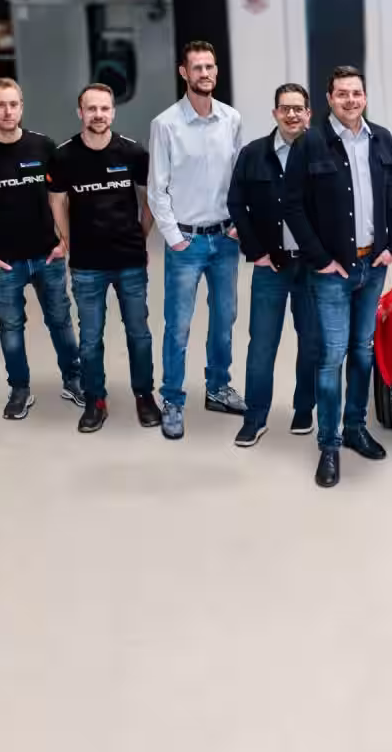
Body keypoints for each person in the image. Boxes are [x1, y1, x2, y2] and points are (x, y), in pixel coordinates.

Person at [281, 66, 392, 489]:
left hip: (373, 266)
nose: (350, 100)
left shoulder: (381, 139)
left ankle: (355, 428)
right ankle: (329, 444)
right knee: (332, 357)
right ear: (329, 99)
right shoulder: (310, 142)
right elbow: (292, 205)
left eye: (356, 93)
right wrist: (319, 259)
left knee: (363, 353)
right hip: (332, 271)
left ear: (364, 97)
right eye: (342, 94)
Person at [0, 78, 82, 420]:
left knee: (60, 321)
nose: (7, 111)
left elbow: (62, 197)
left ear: (21, 107)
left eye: (13, 104)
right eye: (0, 105)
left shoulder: (43, 147)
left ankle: (74, 380)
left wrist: (65, 241)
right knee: (10, 328)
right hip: (3, 261)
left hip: (47, 255)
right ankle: (20, 389)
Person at [145, 40, 246, 441]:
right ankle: (172, 400)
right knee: (179, 326)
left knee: (224, 320)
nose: (205, 73)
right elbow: (157, 189)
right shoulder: (166, 124)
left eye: (210, 66)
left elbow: (240, 178)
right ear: (183, 73)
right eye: (197, 68)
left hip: (225, 239)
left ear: (216, 71)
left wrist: (239, 223)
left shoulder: (231, 119)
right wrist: (174, 238)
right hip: (186, 241)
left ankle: (218, 388)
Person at [48, 83, 157, 434]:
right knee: (91, 338)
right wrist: (68, 239)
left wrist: (140, 236)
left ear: (113, 112)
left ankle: (144, 395)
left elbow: (150, 198)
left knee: (139, 333)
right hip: (87, 265)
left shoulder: (133, 152)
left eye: (104, 108)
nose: (98, 115)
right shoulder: (64, 156)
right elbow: (57, 201)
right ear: (80, 113)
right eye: (91, 109)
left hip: (129, 261)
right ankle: (95, 400)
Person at [227, 83, 320, 448]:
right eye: (285, 108)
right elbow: (236, 203)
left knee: (311, 343)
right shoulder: (253, 154)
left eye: (298, 108)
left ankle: (304, 408)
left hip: (311, 268)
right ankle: (255, 418)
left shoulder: (324, 153)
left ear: (308, 114)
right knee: (262, 345)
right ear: (275, 113)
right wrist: (256, 251)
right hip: (270, 267)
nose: (292, 114)